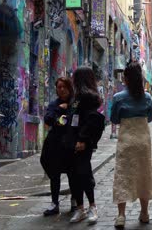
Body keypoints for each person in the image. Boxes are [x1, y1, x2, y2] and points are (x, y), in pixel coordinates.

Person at [110, 62, 152, 228]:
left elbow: (114, 119)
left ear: (126, 79)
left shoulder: (118, 98)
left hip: (126, 141)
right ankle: (144, 213)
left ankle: (121, 216)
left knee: (123, 175)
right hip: (143, 141)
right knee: (144, 175)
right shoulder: (147, 98)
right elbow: (150, 118)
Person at [67, 67, 105, 224]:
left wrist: (82, 139)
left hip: (82, 142)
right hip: (73, 140)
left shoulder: (88, 96)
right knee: (74, 175)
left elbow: (91, 120)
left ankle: (92, 207)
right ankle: (80, 208)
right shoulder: (78, 97)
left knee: (83, 173)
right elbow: (72, 114)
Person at [40, 77, 75, 216]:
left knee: (73, 173)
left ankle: (74, 200)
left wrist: (64, 113)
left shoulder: (75, 102)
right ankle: (55, 203)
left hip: (70, 143)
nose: (61, 89)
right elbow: (48, 119)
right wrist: (59, 112)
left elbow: (73, 118)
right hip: (55, 144)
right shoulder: (55, 104)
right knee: (54, 173)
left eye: (64, 87)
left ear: (69, 88)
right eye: (59, 87)